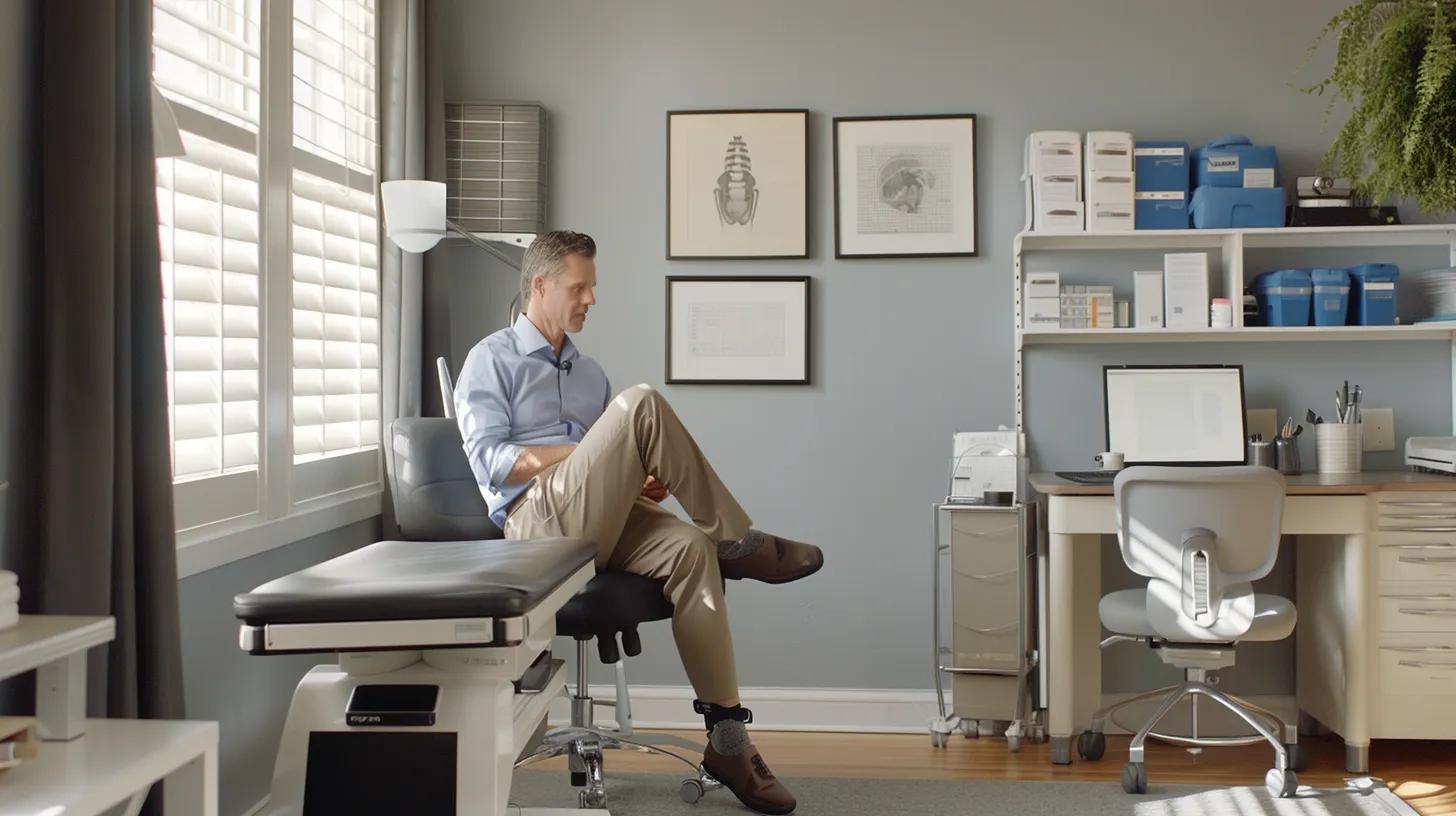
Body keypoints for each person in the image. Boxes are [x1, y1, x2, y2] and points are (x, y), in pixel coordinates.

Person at [454, 229, 823, 815]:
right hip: (536, 525)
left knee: (691, 549)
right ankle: (737, 540)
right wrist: (587, 452)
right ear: (540, 285)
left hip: (596, 520)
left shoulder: (588, 372)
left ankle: (729, 740)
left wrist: (640, 475)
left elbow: (609, 465)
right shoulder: (489, 359)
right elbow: (493, 463)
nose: (591, 300)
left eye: (593, 288)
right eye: (579, 288)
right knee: (641, 403)